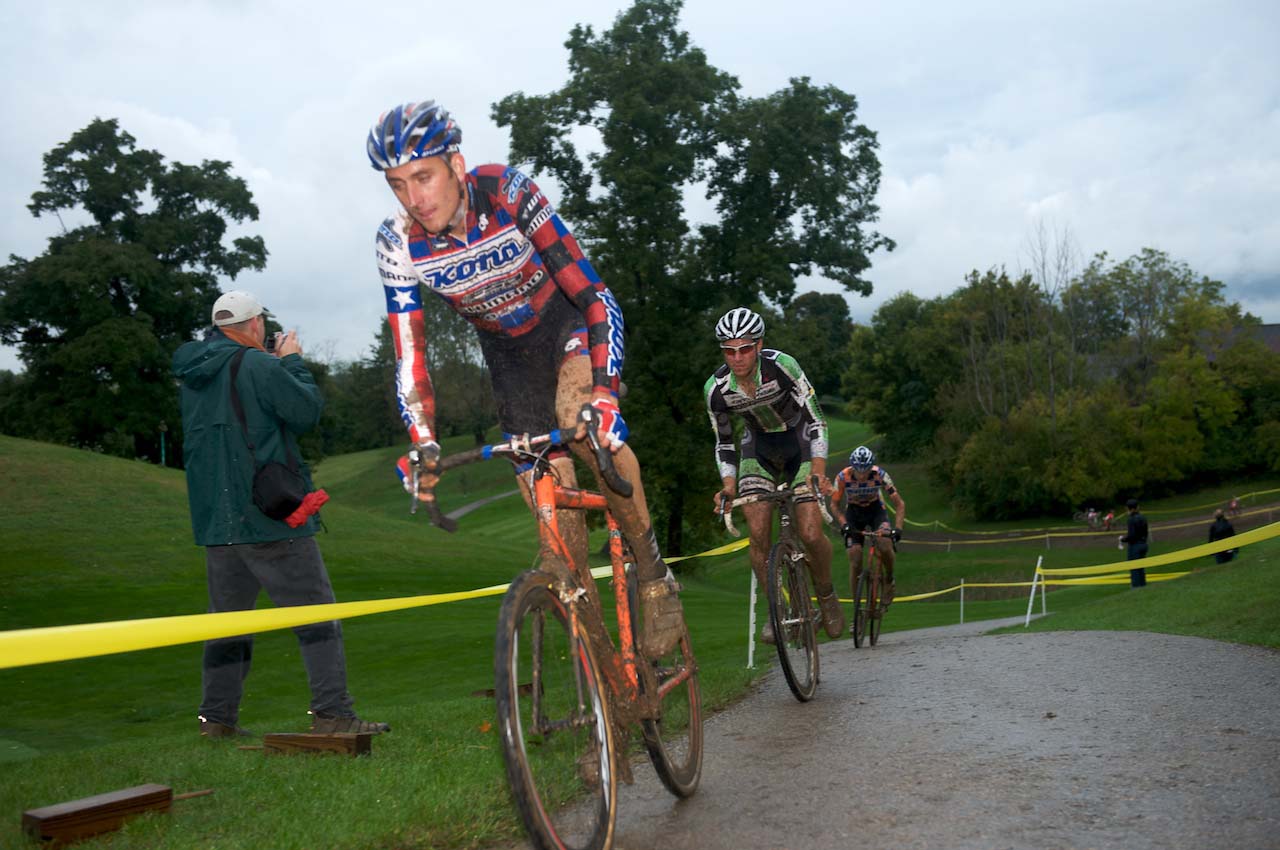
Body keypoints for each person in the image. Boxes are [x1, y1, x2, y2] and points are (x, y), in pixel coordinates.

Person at [365, 101, 683, 659]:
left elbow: (594, 294)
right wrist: (422, 442)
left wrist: (604, 391)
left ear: (456, 166)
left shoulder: (508, 191)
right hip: (508, 356)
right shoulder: (397, 242)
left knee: (578, 423)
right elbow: (409, 354)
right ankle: (602, 688)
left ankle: (654, 572)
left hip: (565, 324)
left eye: (424, 176)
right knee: (557, 543)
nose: (415, 198)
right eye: (398, 185)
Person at [173, 290, 389, 738]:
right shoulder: (258, 365)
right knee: (316, 614)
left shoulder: (192, 375)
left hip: (218, 521)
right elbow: (305, 412)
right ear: (254, 326)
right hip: (269, 516)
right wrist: (289, 361)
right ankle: (332, 714)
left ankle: (216, 721)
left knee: (229, 625)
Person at [704, 307, 844, 643]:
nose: (737, 358)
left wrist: (820, 470)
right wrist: (727, 485)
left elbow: (817, 419)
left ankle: (825, 593)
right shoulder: (717, 388)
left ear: (759, 344)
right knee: (757, 532)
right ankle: (777, 609)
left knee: (810, 532)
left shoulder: (783, 366)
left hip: (800, 442)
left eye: (745, 348)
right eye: (729, 350)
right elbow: (723, 442)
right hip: (759, 450)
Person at [831, 446, 905, 612]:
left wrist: (898, 529)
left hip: (875, 511)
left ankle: (889, 578)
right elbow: (834, 504)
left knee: (885, 543)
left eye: (866, 470)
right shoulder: (842, 477)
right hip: (854, 513)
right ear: (852, 467)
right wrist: (844, 524)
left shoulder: (880, 474)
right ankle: (857, 609)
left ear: (872, 466)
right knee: (854, 557)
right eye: (859, 471)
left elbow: (899, 504)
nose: (863, 474)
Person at [1118, 497, 1149, 587]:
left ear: (1129, 508)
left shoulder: (1131, 519)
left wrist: (1122, 539)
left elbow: (1132, 536)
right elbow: (1145, 532)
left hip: (1135, 546)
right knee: (1141, 567)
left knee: (1134, 568)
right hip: (1143, 544)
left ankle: (1136, 587)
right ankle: (1143, 586)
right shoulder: (1143, 517)